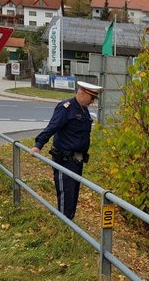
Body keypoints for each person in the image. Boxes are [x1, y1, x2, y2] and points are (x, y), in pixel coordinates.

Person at [30, 81, 102, 220]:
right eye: (91, 98)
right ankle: (64, 224)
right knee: (66, 194)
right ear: (82, 93)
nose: (92, 102)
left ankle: (70, 221)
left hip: (77, 160)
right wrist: (38, 145)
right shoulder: (66, 108)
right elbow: (52, 127)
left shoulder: (84, 109)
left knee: (73, 193)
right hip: (65, 159)